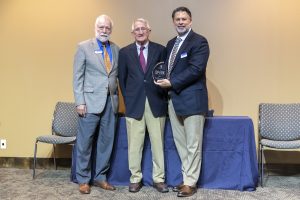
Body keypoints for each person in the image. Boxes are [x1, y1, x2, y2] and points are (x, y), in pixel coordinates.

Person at [155, 7, 210, 197]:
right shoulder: (171, 43)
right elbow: (168, 69)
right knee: (181, 143)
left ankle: (190, 182)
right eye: (177, 19)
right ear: (173, 22)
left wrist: (171, 82)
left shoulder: (200, 41)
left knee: (193, 144)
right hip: (173, 100)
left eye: (184, 19)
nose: (180, 22)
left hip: (193, 100)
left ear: (190, 21)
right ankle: (187, 178)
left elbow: (196, 69)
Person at [118, 18, 169, 193]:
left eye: (143, 29)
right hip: (134, 104)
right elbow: (122, 80)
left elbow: (164, 75)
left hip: (156, 103)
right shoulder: (124, 52)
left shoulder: (160, 50)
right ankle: (135, 178)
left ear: (149, 30)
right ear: (133, 33)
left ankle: (159, 179)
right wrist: (129, 98)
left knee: (158, 144)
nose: (140, 32)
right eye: (137, 29)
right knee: (135, 144)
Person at [73, 14, 119, 194]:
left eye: (107, 28)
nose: (104, 30)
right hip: (89, 103)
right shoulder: (83, 47)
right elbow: (77, 77)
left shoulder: (116, 49)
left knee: (106, 142)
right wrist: (80, 102)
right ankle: (83, 179)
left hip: (111, 102)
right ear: (95, 28)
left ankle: (100, 177)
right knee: (85, 143)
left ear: (111, 30)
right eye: (101, 27)